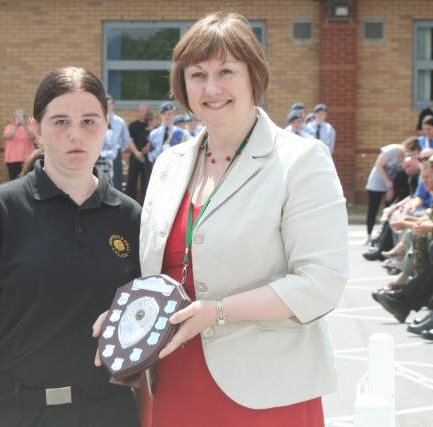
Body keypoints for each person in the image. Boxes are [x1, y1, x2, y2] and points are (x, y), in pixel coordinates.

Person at [95, 12, 348, 427]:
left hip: (267, 389)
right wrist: (128, 322)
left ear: (254, 77)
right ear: (183, 85)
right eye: (197, 74)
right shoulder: (169, 164)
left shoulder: (301, 161)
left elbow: (321, 283)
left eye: (226, 71)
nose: (211, 88)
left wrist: (218, 312)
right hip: (174, 378)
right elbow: (159, 273)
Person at [0, 67, 141, 427]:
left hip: (110, 411)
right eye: (61, 121)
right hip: (20, 412)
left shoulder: (130, 218)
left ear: (107, 124)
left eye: (89, 121)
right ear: (36, 127)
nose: (75, 135)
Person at [365, 137, 421, 241]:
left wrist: (390, 188)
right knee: (373, 208)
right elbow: (378, 165)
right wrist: (387, 183)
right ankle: (368, 235)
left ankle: (381, 238)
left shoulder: (408, 158)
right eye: (408, 152)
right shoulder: (392, 150)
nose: (408, 155)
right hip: (378, 181)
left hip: (391, 184)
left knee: (389, 208)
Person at [126, 103, 151, 203]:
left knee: (146, 181)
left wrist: (148, 147)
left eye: (145, 111)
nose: (143, 113)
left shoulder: (151, 124)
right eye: (141, 111)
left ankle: (144, 204)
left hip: (147, 157)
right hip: (135, 156)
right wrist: (137, 153)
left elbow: (154, 138)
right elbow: (130, 140)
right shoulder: (133, 125)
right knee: (132, 180)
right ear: (138, 112)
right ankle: (129, 203)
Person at [3, 109, 36, 180]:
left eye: (21, 117)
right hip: (12, 159)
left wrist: (25, 126)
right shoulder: (10, 126)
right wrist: (16, 126)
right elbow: (8, 136)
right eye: (17, 117)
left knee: (27, 179)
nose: (19, 119)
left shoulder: (30, 126)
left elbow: (33, 137)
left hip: (27, 159)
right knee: (13, 179)